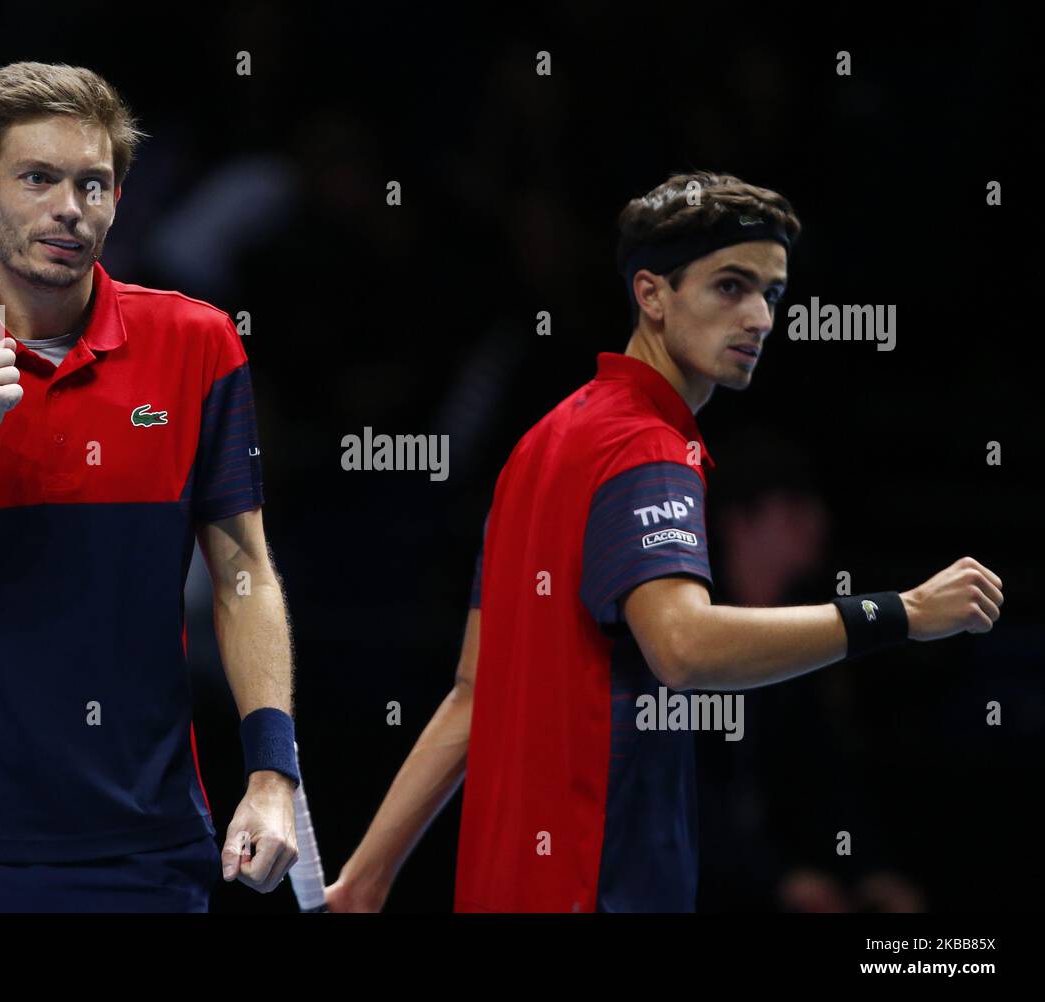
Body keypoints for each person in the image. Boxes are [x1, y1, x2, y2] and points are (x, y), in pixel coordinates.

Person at [325, 170, 1004, 913]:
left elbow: (472, 693)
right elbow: (682, 648)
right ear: (651, 294)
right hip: (602, 890)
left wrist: (367, 875)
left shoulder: (543, 443)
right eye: (729, 287)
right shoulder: (646, 448)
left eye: (771, 295)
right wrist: (902, 612)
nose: (759, 319)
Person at [0, 62, 298, 912]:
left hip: (148, 855)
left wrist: (273, 776)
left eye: (94, 184)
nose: (69, 208)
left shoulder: (199, 346)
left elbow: (245, 573)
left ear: (120, 199)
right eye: (37, 178)